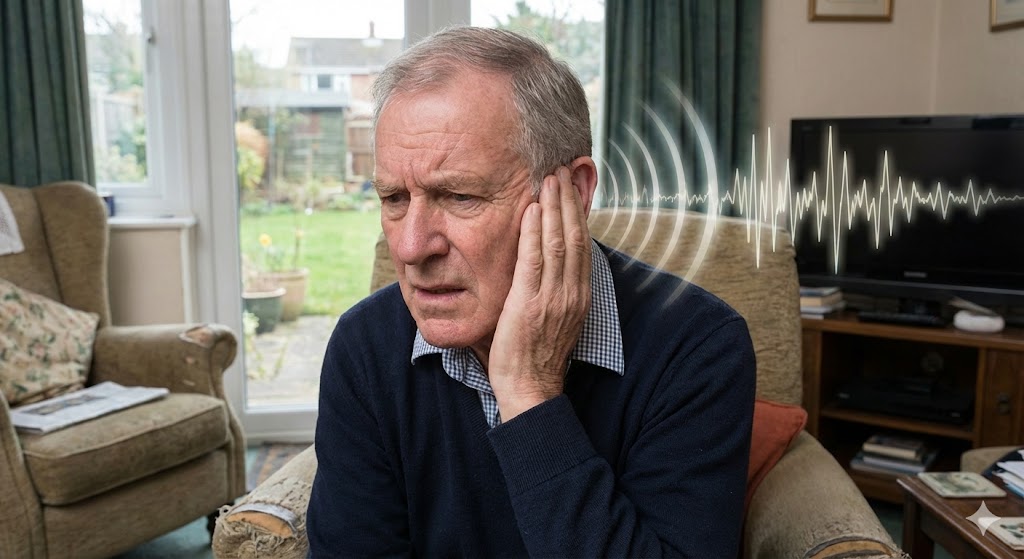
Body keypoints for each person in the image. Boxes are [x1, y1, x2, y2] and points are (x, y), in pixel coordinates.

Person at [307, 26, 756, 558]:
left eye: (459, 196)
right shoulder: (363, 348)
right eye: (393, 198)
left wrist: (528, 394)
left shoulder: (700, 348)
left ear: (575, 192)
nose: (409, 247)